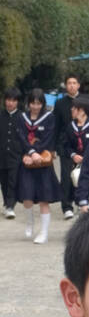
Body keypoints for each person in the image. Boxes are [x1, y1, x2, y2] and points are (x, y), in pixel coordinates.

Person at [15, 87, 62, 243]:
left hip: (43, 162)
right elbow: (21, 137)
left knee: (44, 198)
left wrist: (36, 153)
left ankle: (44, 232)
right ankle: (30, 222)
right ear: (28, 103)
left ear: (42, 103)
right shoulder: (22, 118)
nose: (36, 106)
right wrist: (29, 153)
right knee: (26, 198)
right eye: (33, 103)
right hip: (27, 161)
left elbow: (49, 138)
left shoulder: (49, 118)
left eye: (39, 103)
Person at [53, 73, 82, 218]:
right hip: (64, 145)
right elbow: (56, 126)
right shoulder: (60, 103)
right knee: (65, 176)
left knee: (80, 175)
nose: (71, 85)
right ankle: (66, 206)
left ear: (78, 85)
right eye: (69, 83)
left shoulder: (86, 101)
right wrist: (53, 147)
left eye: (74, 83)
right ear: (66, 85)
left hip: (82, 144)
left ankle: (80, 202)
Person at [0, 87, 22, 218]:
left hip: (16, 155)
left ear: (17, 102)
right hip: (1, 155)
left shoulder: (22, 117)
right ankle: (6, 203)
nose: (10, 103)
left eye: (13, 100)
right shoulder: (0, 116)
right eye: (8, 100)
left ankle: (10, 205)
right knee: (4, 181)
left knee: (13, 181)